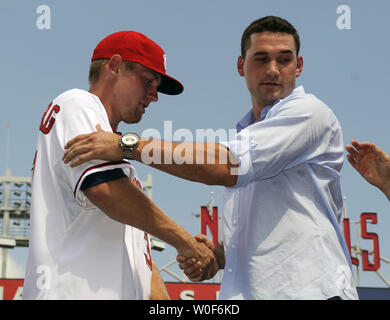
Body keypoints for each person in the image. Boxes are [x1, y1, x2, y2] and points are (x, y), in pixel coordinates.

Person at [62, 17, 359, 300]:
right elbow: (275, 230)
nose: (272, 69)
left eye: (284, 59)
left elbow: (227, 166)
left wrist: (129, 145)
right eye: (261, 58)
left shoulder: (309, 113)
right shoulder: (247, 134)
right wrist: (218, 256)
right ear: (241, 66)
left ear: (299, 66)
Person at [23, 31, 215, 300]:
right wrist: (183, 242)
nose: (154, 96)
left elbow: (142, 266)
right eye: (148, 81)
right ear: (114, 66)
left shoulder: (120, 163)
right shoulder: (77, 103)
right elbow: (106, 190)